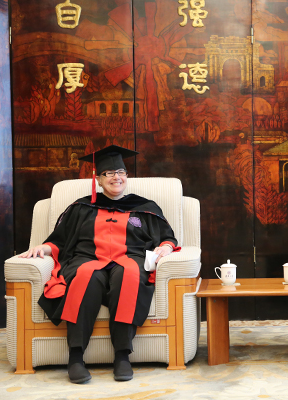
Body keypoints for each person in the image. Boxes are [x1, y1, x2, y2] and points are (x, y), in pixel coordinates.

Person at [19, 145, 179, 384]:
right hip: (88, 259)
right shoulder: (82, 207)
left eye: (121, 172)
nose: (117, 177)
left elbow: (167, 237)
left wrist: (166, 247)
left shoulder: (145, 207)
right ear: (99, 180)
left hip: (129, 259)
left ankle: (122, 356)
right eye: (109, 173)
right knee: (85, 276)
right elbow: (60, 240)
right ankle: (75, 357)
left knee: (129, 274)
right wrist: (42, 249)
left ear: (127, 176)